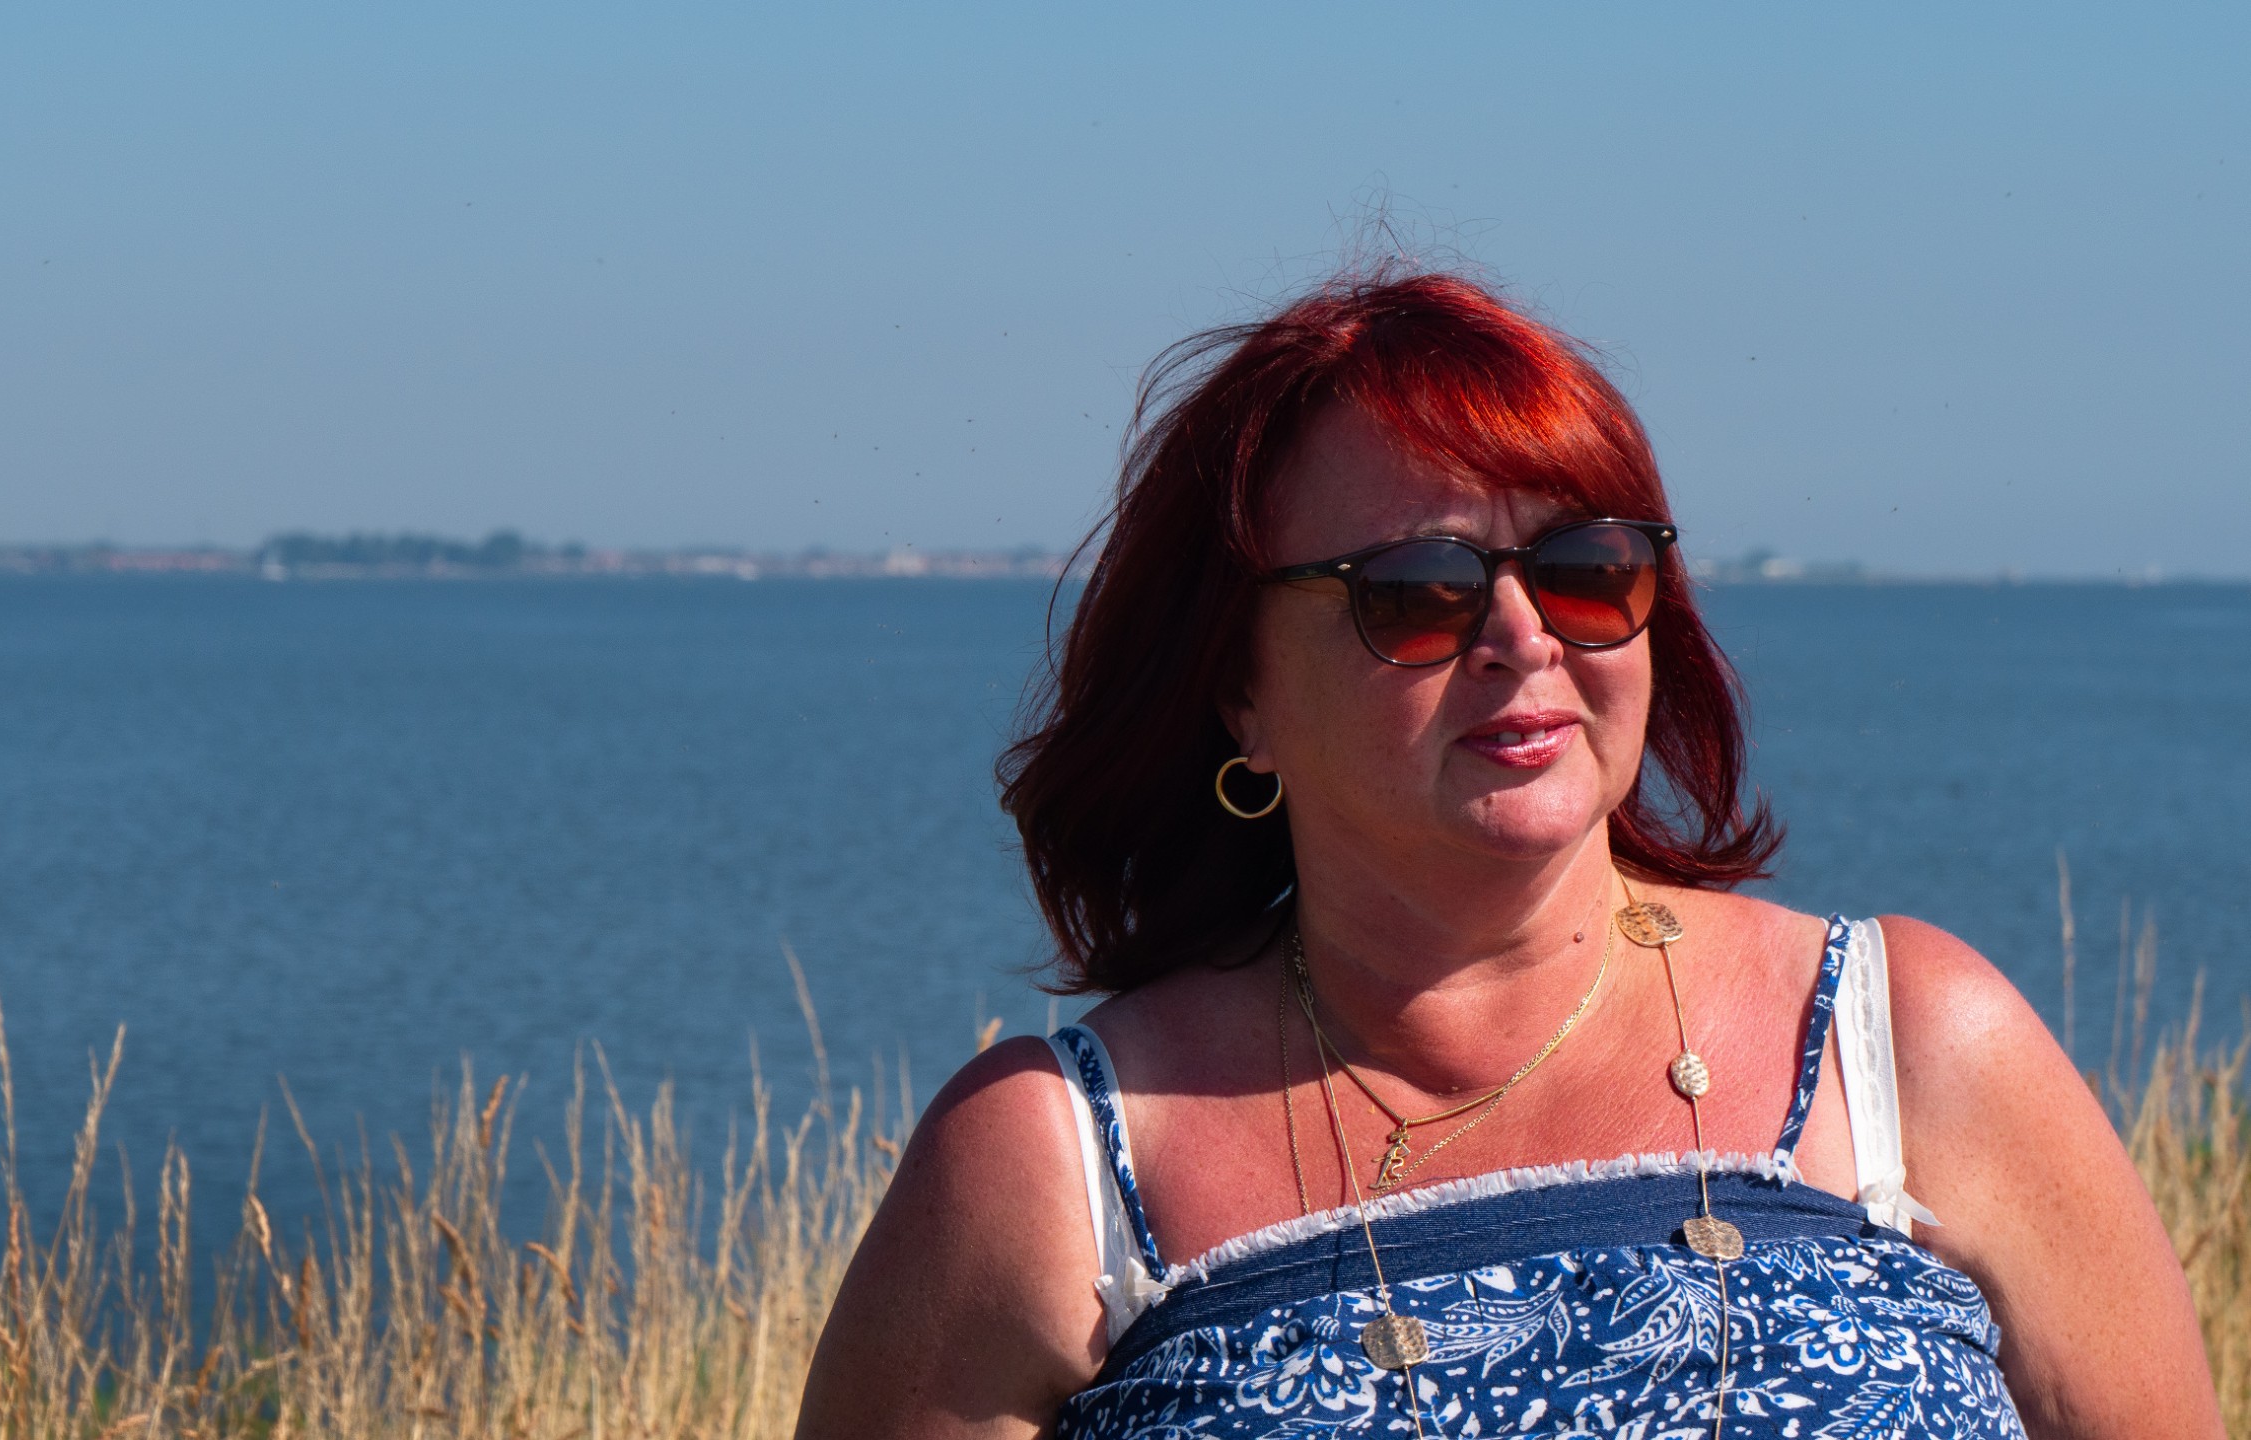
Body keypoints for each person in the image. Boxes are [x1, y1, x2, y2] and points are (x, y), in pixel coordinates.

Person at [794, 270, 2219, 1439]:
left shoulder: (1906, 1049)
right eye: (1418, 593)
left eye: (1588, 569)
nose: (1525, 637)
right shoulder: (1053, 1169)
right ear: (1239, 689)